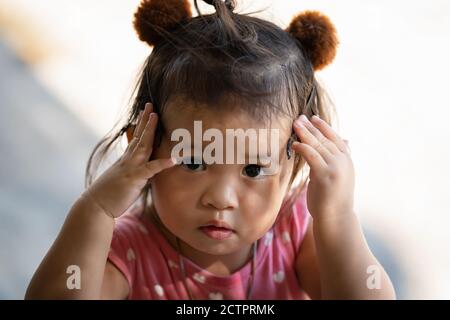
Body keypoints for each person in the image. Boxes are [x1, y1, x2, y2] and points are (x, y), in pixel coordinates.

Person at [25, 0, 396, 300]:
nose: (221, 198)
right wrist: (95, 209)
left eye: (253, 169)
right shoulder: (128, 250)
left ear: (294, 160)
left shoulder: (295, 233)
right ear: (145, 147)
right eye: (194, 161)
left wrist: (337, 216)